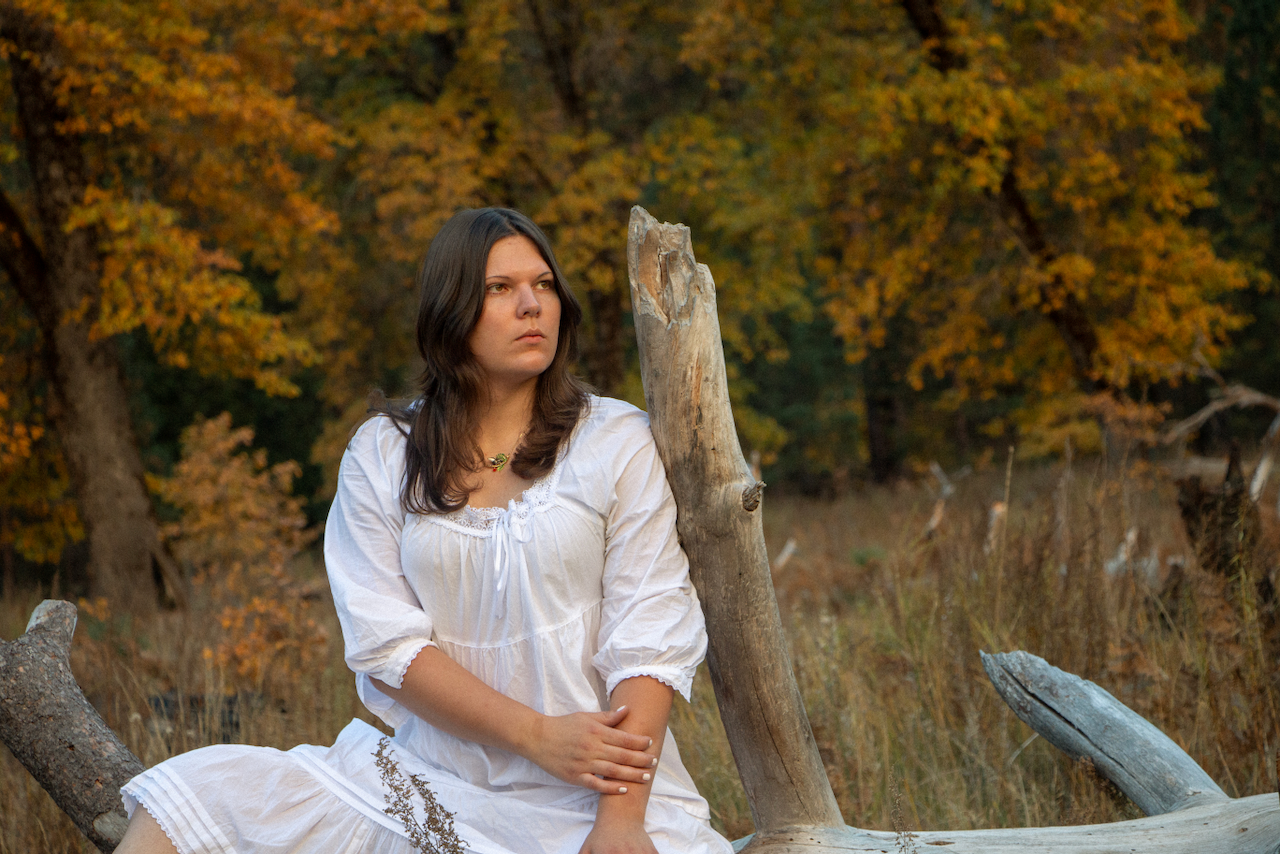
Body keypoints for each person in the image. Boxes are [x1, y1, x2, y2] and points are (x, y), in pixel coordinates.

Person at [115, 207, 735, 854]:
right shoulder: (383, 452)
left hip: (595, 795)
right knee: (192, 793)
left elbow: (647, 637)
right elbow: (387, 648)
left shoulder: (615, 441)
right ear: (451, 311)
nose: (532, 305)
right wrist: (534, 737)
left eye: (544, 285)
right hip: (428, 782)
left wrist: (619, 823)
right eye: (501, 289)